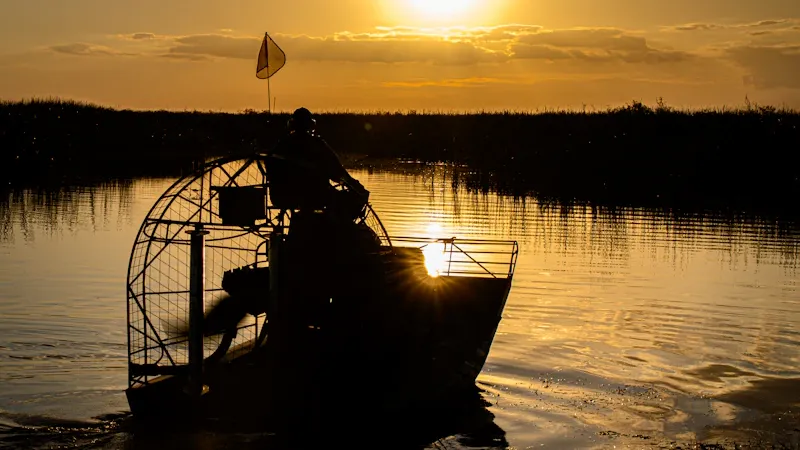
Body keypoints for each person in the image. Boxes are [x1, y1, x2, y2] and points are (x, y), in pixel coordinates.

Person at [267, 107, 368, 217]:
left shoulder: (282, 145)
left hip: (282, 198)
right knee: (348, 199)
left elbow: (271, 168)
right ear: (310, 125)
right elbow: (337, 172)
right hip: (316, 196)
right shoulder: (317, 145)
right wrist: (355, 186)